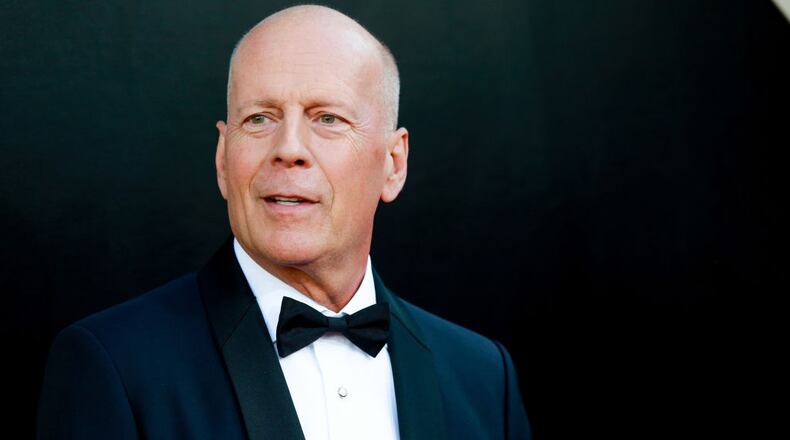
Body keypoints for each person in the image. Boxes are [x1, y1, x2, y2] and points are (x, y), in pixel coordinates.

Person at [36, 5, 531, 440]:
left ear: (393, 163)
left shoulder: (484, 376)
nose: (289, 149)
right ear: (222, 159)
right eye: (260, 119)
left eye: (327, 118)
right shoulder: (112, 366)